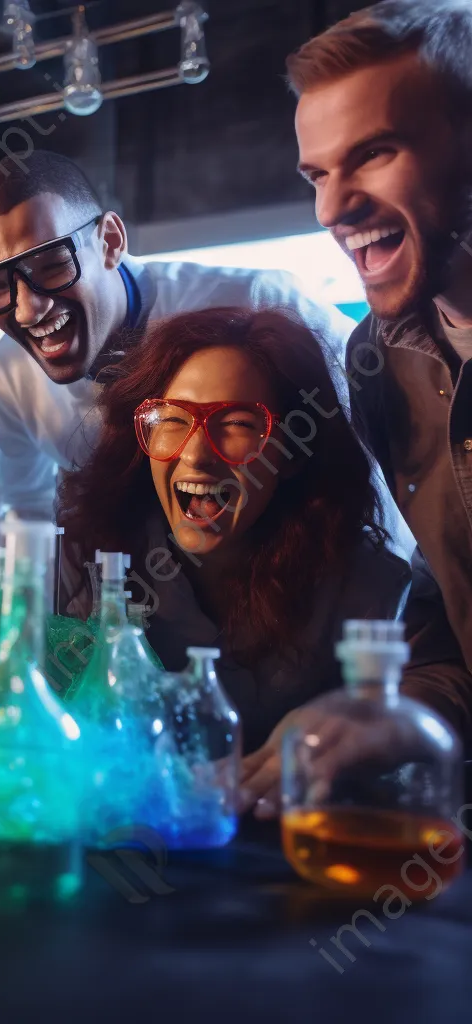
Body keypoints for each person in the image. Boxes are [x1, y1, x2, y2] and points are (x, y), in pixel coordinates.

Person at [58, 306, 470, 817]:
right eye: (172, 421)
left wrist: (374, 720)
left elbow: (438, 677)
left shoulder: (363, 582)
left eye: (235, 424)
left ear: (294, 452)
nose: (196, 455)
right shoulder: (91, 562)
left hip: (302, 860)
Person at [0, 149, 415, 556]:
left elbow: (370, 456)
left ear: (111, 242)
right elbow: (31, 525)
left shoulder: (258, 301)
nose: (27, 308)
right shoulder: (11, 373)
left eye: (52, 264)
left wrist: (400, 610)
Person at [244, 0, 472, 810]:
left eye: (374, 154)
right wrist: (392, 714)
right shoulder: (377, 361)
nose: (333, 209)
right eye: (318, 174)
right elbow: (455, 619)